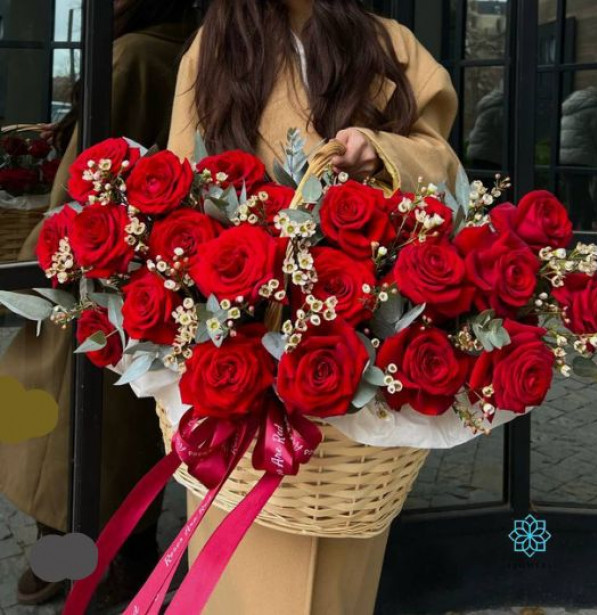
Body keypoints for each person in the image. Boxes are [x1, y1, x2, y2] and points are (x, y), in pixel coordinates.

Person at [167, 1, 460, 613]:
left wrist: (382, 152)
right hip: (242, 368)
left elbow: (442, 162)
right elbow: (183, 189)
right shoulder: (215, 45)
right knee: (236, 573)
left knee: (334, 584)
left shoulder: (390, 43)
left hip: (355, 369)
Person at [0, 0, 196, 607]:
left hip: (92, 261)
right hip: (147, 268)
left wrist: (34, 262)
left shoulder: (132, 55)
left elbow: (82, 181)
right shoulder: (181, 49)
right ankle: (105, 556)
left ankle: (77, 558)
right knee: (125, 429)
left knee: (64, 433)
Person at [560, 78, 597, 230]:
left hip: (565, 160)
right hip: (582, 160)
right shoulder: (596, 110)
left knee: (576, 202)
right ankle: (582, 242)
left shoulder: (575, 103)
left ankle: (577, 239)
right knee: (583, 205)